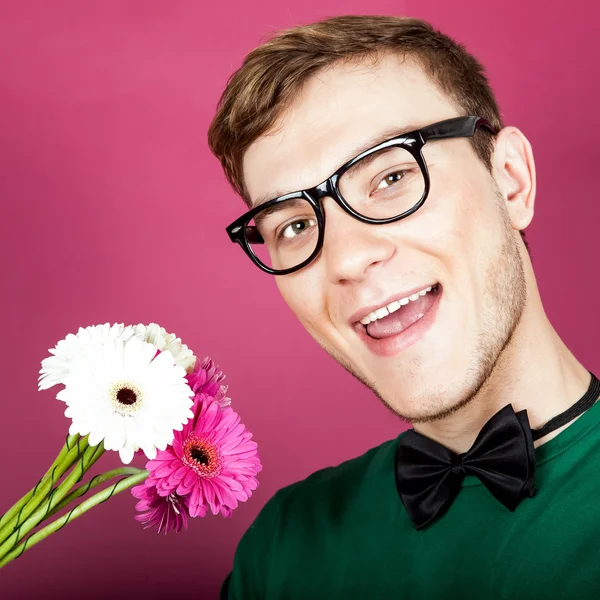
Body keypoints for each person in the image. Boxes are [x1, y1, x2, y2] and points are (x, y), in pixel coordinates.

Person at [208, 15, 600, 599]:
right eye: (294, 224)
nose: (346, 258)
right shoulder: (285, 545)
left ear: (511, 182)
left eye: (391, 176)